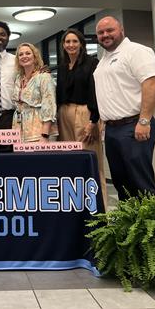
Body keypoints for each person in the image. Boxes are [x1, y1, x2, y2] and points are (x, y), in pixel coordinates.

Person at [93, 16, 155, 200]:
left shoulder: (136, 51)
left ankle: (150, 226)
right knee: (121, 182)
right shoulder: (104, 59)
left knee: (140, 182)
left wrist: (144, 120)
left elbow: (151, 83)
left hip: (134, 125)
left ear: (121, 30)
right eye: (100, 32)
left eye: (110, 30)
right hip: (112, 129)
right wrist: (102, 120)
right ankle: (129, 225)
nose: (105, 35)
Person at [56, 29, 107, 204]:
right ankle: (75, 205)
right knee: (69, 160)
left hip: (85, 113)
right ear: (63, 45)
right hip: (63, 114)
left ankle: (99, 208)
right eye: (67, 42)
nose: (71, 45)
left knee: (90, 160)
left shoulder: (92, 63)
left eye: (74, 41)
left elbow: (96, 93)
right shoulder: (62, 67)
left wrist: (94, 121)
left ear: (81, 44)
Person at [12, 43, 56, 142]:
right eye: (21, 54)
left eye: (28, 53)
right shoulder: (19, 78)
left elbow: (49, 106)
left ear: (35, 57)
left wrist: (45, 135)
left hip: (39, 131)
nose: (24, 56)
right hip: (20, 130)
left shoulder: (44, 77)